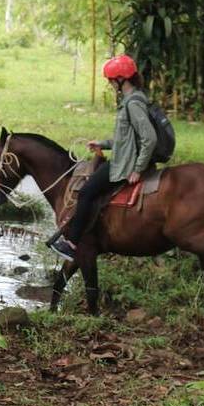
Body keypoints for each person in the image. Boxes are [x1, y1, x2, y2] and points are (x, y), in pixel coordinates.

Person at [48, 55, 157, 260]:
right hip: (126, 157)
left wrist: (138, 169)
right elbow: (126, 137)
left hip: (125, 164)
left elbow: (149, 138)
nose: (109, 83)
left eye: (111, 80)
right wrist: (103, 144)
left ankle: (72, 243)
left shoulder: (133, 104)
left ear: (121, 79)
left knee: (87, 192)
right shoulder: (133, 99)